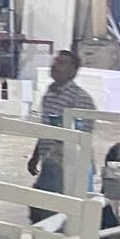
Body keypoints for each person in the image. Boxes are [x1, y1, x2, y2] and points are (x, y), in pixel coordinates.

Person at [28, 49, 95, 222]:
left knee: (58, 212)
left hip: (68, 164)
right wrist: (35, 156)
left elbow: (83, 136)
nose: (55, 66)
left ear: (73, 70)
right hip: (50, 161)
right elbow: (46, 128)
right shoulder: (49, 94)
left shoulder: (80, 98)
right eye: (55, 61)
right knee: (41, 208)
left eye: (62, 63)